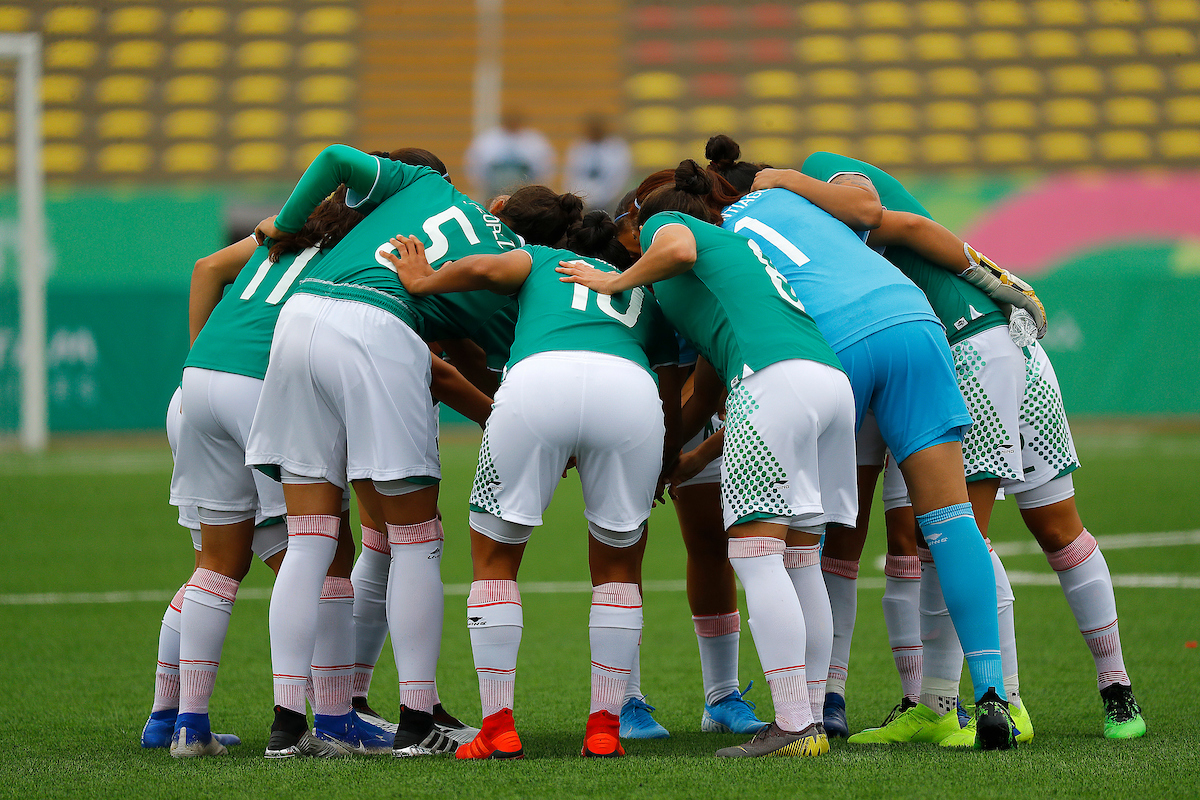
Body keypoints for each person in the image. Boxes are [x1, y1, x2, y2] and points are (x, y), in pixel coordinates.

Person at [246, 144, 582, 758]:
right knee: (416, 538)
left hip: (298, 320)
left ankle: (287, 726)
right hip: (379, 327)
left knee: (311, 535)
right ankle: (417, 716)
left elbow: (335, 159)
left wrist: (286, 226)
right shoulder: (521, 267)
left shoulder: (426, 183)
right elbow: (509, 366)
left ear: (499, 203)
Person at [797, 151, 1146, 741]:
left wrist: (997, 278)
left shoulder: (821, 182)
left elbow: (906, 227)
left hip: (966, 353)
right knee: (1058, 530)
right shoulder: (821, 209)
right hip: (1012, 345)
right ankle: (1116, 694)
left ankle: (997, 703)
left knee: (958, 535)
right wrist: (1001, 283)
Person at [704, 135, 1018, 749]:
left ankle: (817, 705)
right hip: (915, 322)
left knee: (812, 540)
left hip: (832, 344)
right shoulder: (809, 193)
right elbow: (877, 215)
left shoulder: (720, 231)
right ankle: (992, 696)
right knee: (952, 522)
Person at [558, 161, 857, 758]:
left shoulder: (675, 227)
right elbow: (707, 379)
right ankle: (816, 718)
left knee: (755, 554)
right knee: (800, 557)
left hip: (772, 379)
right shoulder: (729, 260)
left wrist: (613, 284)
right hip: (826, 383)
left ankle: (794, 725)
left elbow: (676, 242)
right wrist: (685, 457)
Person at [385, 209, 680, 759]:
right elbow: (668, 389)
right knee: (619, 568)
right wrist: (665, 462)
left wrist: (424, 279)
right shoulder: (648, 296)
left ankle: (497, 728)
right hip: (631, 395)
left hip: (539, 381)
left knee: (495, 558)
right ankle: (604, 729)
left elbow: (490, 269)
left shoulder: (545, 258)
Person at [465, 108, 555, 203]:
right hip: (493, 192)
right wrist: (483, 185)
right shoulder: (488, 139)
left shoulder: (535, 141)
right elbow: (474, 165)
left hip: (524, 193)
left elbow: (545, 166)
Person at [562, 114, 632, 213]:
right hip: (584, 201)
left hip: (610, 201)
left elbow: (621, 175)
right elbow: (571, 174)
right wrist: (580, 197)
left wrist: (607, 196)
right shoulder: (578, 147)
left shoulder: (616, 147)